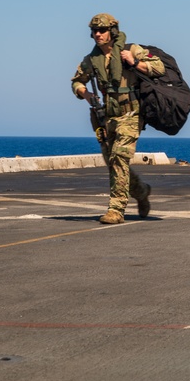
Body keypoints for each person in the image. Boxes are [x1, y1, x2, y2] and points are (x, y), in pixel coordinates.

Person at [71, 13, 162, 224]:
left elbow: (158, 67)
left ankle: (116, 209)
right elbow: (76, 81)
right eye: (94, 31)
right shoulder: (91, 60)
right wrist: (85, 94)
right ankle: (141, 191)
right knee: (113, 163)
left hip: (130, 114)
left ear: (112, 32)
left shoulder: (131, 50)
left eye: (102, 30)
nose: (97, 34)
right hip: (106, 117)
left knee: (119, 157)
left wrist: (135, 62)